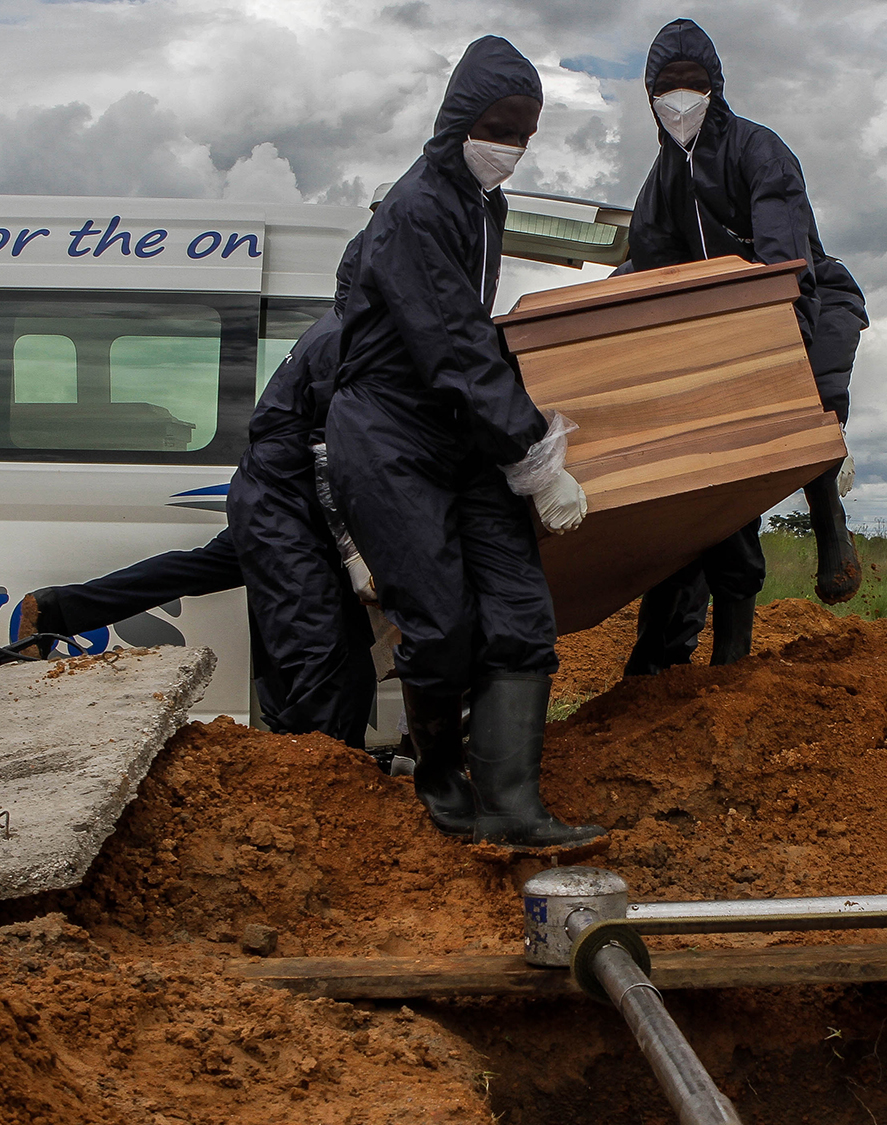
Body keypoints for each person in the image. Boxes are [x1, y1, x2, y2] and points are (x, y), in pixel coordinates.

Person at [324, 36, 602, 850]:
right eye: (499, 125)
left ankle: (512, 805)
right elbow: (450, 344)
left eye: (525, 132)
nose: (510, 146)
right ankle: (442, 774)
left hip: (458, 428)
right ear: (459, 119)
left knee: (520, 606)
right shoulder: (415, 208)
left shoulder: (488, 205)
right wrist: (536, 454)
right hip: (388, 431)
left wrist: (515, 443)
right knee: (440, 620)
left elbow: (471, 343)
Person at [619, 17, 869, 678]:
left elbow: (788, 267)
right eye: (666, 88)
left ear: (716, 87)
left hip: (805, 304)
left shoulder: (761, 152)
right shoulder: (664, 180)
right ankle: (729, 652)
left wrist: (773, 374)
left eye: (692, 85)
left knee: (802, 405)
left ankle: (829, 519)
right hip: (723, 335)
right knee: (721, 476)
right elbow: (643, 267)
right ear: (649, 96)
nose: (680, 99)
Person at [18, 301, 376, 750]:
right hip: (290, 504)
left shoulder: (346, 325)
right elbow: (330, 451)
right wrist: (354, 549)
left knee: (202, 569)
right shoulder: (347, 337)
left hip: (281, 497)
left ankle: (59, 609)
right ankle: (318, 762)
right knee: (320, 641)